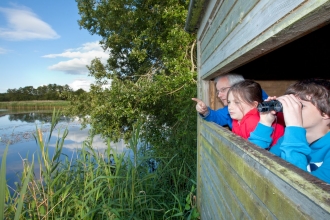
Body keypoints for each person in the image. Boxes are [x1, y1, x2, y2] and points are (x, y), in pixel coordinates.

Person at [248, 78, 330, 183]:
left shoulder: (293, 139)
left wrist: (294, 128)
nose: (291, 110)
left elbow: (301, 187)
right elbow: (252, 162)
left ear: (326, 113)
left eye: (300, 106)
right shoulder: (286, 139)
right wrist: (265, 123)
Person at [192, 73, 268, 129]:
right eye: (218, 91)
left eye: (223, 90)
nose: (219, 95)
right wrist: (205, 111)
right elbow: (218, 117)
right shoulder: (230, 109)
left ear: (238, 86)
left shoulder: (266, 111)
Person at [227, 80, 284, 145]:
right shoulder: (237, 119)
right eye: (229, 102)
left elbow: (257, 149)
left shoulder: (253, 122)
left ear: (253, 105)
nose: (230, 107)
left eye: (237, 102)